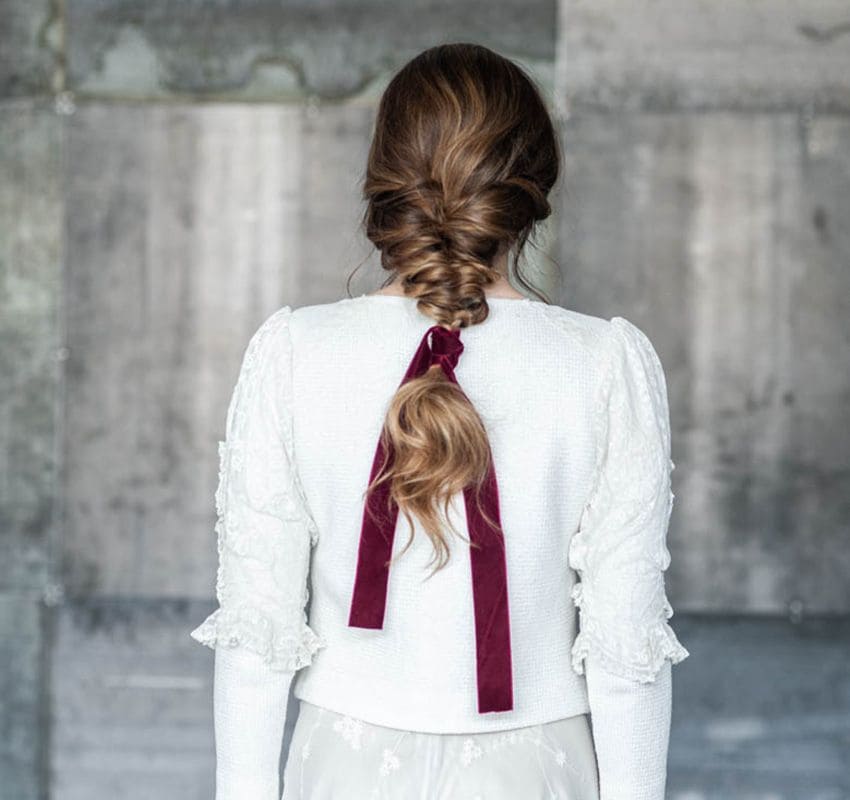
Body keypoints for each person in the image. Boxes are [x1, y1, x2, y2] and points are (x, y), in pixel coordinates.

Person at [189, 42, 689, 800]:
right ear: (533, 184)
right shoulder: (605, 362)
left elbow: (256, 636)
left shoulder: (294, 351)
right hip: (537, 766)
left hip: (341, 764)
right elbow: (627, 654)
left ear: (384, 176)